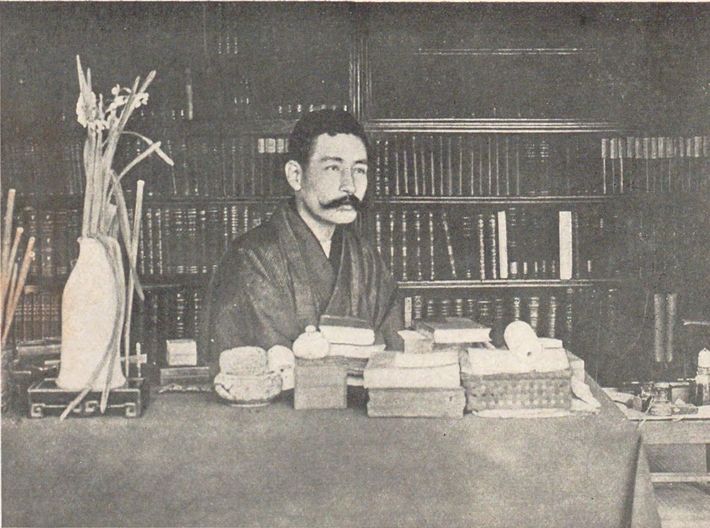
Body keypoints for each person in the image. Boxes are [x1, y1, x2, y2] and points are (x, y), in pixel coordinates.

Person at [205, 109, 403, 369]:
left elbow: (392, 348)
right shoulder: (252, 257)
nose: (350, 186)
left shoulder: (365, 257)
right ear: (295, 176)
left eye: (359, 170)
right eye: (333, 168)